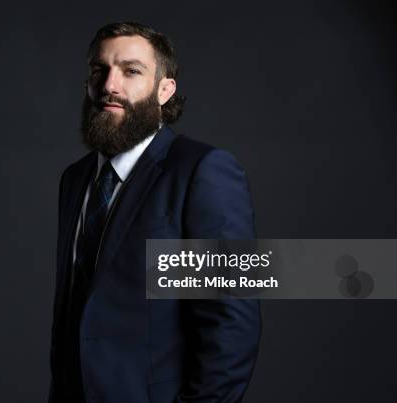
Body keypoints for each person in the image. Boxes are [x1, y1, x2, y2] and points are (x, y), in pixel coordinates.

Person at [49, 21, 261, 403]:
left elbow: (231, 322)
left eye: (131, 71)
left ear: (165, 90)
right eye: (100, 70)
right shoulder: (75, 180)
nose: (110, 85)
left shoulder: (202, 170)